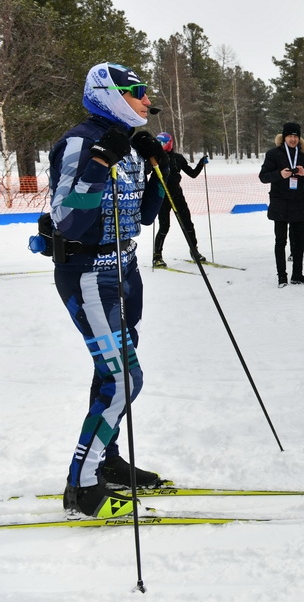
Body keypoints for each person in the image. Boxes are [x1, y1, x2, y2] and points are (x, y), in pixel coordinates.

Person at [50, 63, 167, 518]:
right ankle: (81, 488)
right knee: (124, 378)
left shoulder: (126, 146)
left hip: (123, 271)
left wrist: (161, 171)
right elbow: (68, 217)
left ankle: (107, 460)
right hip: (88, 271)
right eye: (138, 92)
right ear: (110, 93)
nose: (147, 102)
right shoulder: (84, 142)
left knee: (111, 375)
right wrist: (100, 163)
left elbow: (142, 218)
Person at [259, 122, 304, 287]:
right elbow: (263, 176)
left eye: (296, 136)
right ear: (284, 137)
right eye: (290, 136)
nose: (293, 139)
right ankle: (282, 276)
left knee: (298, 241)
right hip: (280, 203)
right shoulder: (273, 154)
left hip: (299, 203)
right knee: (280, 241)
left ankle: (297, 275)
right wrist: (279, 174)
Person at [151, 132, 208, 268]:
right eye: (158, 142)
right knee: (164, 226)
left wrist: (201, 164)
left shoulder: (178, 158)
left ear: (169, 143)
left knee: (188, 224)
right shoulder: (155, 158)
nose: (160, 145)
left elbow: (192, 174)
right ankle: (157, 256)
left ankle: (194, 251)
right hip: (162, 195)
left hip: (177, 194)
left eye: (162, 143)